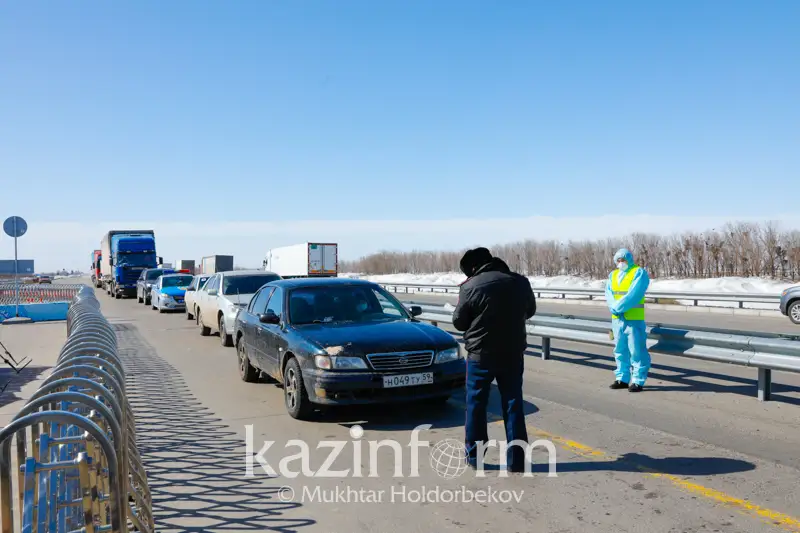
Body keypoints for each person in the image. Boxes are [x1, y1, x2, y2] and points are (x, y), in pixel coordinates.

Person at [452, 247, 536, 472]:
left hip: (481, 356)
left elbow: (459, 322)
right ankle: (517, 461)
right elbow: (530, 310)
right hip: (512, 353)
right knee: (513, 403)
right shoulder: (520, 282)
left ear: (472, 268)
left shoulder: (470, 286)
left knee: (476, 405)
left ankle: (474, 457)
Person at [605, 248, 651, 392]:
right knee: (620, 350)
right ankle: (622, 378)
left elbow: (634, 294)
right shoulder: (613, 275)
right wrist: (613, 307)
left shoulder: (638, 273)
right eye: (618, 260)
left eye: (623, 260)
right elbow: (609, 293)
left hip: (633, 320)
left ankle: (638, 380)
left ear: (629, 259)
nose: (621, 262)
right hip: (617, 319)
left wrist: (618, 306)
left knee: (637, 351)